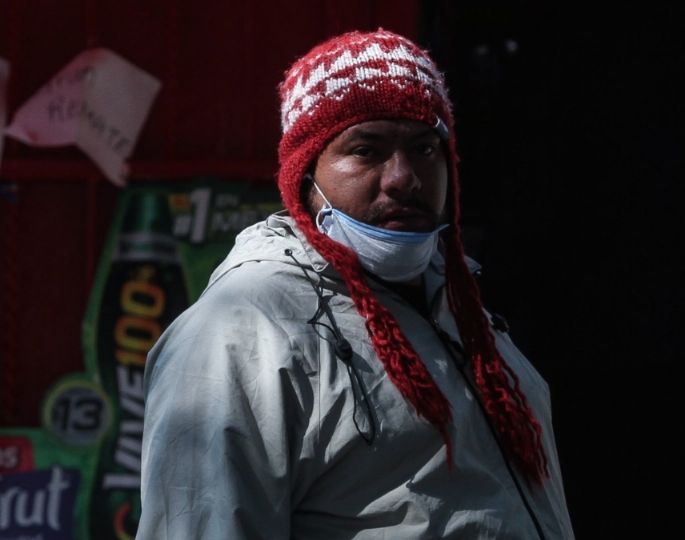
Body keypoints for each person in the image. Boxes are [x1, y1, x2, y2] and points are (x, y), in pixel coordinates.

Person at [138, 28, 575, 539]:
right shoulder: (244, 330)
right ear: (306, 177)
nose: (403, 178)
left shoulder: (462, 311)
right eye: (366, 150)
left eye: (424, 149)